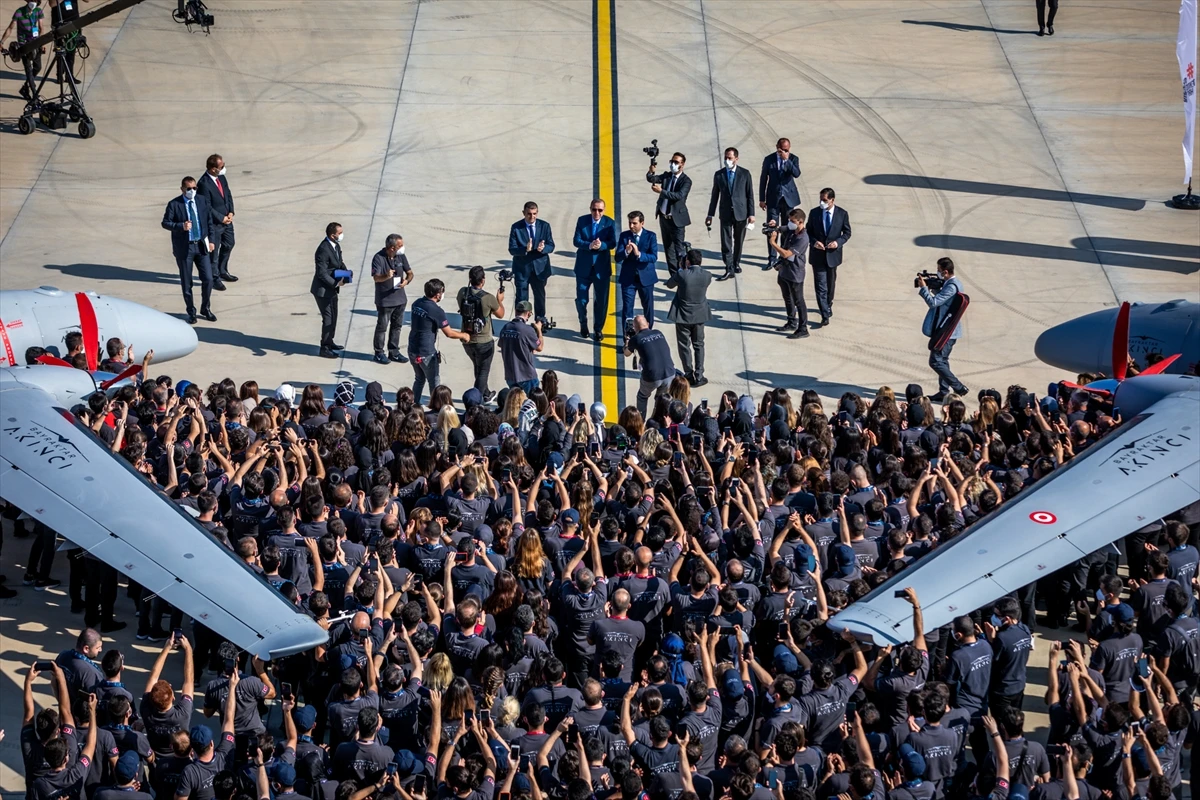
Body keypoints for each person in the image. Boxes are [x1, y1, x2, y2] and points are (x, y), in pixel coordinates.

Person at [161, 176, 216, 325]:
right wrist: (181, 226)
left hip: (201, 245)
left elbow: (208, 221)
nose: (192, 191)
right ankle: (191, 312)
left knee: (208, 279)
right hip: (185, 248)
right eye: (189, 189)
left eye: (194, 188)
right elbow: (165, 223)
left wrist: (211, 240)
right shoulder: (174, 204)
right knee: (187, 283)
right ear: (182, 189)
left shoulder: (202, 200)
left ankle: (205, 307)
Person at [408, 278, 470, 404]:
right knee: (434, 382)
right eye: (442, 291)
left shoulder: (416, 304)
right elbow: (449, 333)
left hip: (413, 349)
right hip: (427, 353)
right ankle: (436, 409)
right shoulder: (436, 311)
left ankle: (412, 405)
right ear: (438, 294)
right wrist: (463, 335)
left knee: (419, 379)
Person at [918, 257, 968, 401]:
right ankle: (944, 392)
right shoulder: (952, 283)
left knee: (935, 361)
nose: (938, 273)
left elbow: (933, 303)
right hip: (948, 329)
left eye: (939, 271)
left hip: (946, 332)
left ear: (946, 272)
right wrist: (935, 287)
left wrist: (923, 288)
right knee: (943, 360)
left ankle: (958, 387)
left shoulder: (952, 287)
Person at [706, 147, 755, 281]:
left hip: (741, 213)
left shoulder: (745, 174)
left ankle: (736, 263)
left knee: (738, 240)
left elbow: (749, 195)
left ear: (736, 159)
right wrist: (710, 214)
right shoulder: (719, 174)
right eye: (726, 158)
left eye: (730, 158)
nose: (727, 160)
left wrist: (752, 214)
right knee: (726, 242)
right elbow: (715, 196)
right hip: (726, 213)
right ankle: (729, 268)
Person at [456, 266, 505, 401]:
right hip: (484, 341)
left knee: (478, 367)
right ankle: (475, 402)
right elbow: (501, 314)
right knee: (483, 371)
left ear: (470, 279)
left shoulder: (462, 292)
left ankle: (486, 393)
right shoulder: (488, 298)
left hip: (467, 340)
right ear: (483, 280)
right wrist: (499, 300)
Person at [665, 248, 712, 387]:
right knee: (699, 344)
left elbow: (669, 284)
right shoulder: (707, 275)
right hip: (699, 315)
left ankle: (688, 373)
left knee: (684, 345)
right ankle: (699, 374)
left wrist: (681, 269)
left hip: (683, 316)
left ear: (687, 261)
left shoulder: (683, 275)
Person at [572, 199, 617, 341]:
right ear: (590, 209)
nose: (597, 213)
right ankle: (583, 323)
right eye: (594, 209)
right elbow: (576, 241)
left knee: (601, 301)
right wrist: (589, 245)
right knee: (581, 300)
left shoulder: (609, 223)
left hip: (601, 268)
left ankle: (598, 328)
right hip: (583, 267)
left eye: (600, 210)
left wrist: (602, 245)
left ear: (604, 210)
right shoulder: (582, 221)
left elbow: (612, 242)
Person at [806, 187, 851, 326]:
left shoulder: (842, 214)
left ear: (832, 200)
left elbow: (847, 233)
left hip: (833, 256)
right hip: (818, 256)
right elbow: (808, 232)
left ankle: (828, 303)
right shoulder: (814, 213)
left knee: (830, 285)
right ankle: (824, 314)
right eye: (820, 199)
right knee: (820, 286)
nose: (822, 202)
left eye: (825, 200)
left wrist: (837, 243)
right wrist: (814, 243)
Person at [507, 201, 555, 320]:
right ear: (524, 213)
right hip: (522, 269)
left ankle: (540, 320)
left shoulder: (545, 226)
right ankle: (521, 321)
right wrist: (525, 249)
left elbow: (551, 245)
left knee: (539, 296)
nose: (532, 216)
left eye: (534, 214)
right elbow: (512, 249)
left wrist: (543, 248)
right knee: (521, 297)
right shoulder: (516, 227)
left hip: (539, 269)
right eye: (529, 214)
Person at [758, 138, 802, 269]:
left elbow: (796, 173)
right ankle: (771, 258)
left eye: (786, 150)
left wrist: (786, 160)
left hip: (788, 198)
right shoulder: (769, 159)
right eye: (781, 149)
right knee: (772, 227)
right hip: (773, 199)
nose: (783, 151)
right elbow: (763, 178)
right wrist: (761, 199)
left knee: (787, 227)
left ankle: (783, 255)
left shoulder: (793, 158)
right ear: (777, 147)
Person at [647, 152, 692, 276]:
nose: (673, 164)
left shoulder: (686, 181)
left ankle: (683, 274)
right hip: (664, 218)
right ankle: (673, 276)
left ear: (682, 165)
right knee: (668, 249)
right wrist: (651, 171)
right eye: (672, 161)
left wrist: (661, 191)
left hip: (676, 220)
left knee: (679, 250)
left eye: (676, 162)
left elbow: (678, 195)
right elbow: (652, 179)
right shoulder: (667, 176)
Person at [370, 233, 413, 365]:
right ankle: (379, 353)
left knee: (397, 327)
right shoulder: (378, 258)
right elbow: (376, 278)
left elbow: (410, 273)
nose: (403, 247)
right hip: (385, 301)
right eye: (400, 245)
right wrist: (386, 276)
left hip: (400, 299)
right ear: (392, 247)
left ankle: (393, 352)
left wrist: (407, 281)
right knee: (382, 327)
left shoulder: (401, 256)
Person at [195, 154, 237, 288]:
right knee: (214, 252)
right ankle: (214, 277)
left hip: (227, 219)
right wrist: (221, 217)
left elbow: (228, 195)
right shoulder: (203, 184)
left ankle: (222, 270)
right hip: (215, 223)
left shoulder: (222, 178)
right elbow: (206, 206)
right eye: (221, 167)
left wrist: (231, 211)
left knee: (229, 244)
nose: (224, 169)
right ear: (213, 169)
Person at [768, 207, 810, 339]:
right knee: (787, 298)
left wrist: (772, 242)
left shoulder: (803, 238)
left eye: (792, 221)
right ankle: (791, 322)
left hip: (795, 274)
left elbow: (786, 254)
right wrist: (775, 227)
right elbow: (783, 228)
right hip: (784, 271)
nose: (790, 223)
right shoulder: (792, 230)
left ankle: (803, 328)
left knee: (799, 301)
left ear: (800, 222)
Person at [624, 315, 674, 416]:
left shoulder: (636, 339)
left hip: (652, 376)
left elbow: (626, 353)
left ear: (635, 328)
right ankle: (658, 420)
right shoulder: (658, 333)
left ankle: (640, 421)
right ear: (647, 324)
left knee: (642, 396)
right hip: (670, 373)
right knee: (661, 399)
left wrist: (628, 341)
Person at [617, 211, 659, 332]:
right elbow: (617, 257)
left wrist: (639, 254)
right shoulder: (624, 236)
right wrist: (626, 252)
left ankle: (648, 332)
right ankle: (627, 337)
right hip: (629, 279)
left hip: (645, 278)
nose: (631, 226)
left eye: (634, 223)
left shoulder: (651, 236)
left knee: (648, 307)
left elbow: (653, 257)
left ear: (642, 223)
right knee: (627, 308)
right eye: (630, 223)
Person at [498, 300, 544, 394]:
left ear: (516, 311)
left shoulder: (505, 328)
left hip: (510, 375)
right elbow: (539, 347)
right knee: (534, 401)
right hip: (526, 375)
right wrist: (539, 330)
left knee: (515, 403)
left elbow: (502, 344)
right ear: (528, 313)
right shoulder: (527, 330)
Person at [2, 0, 45, 100]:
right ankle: (35, 93)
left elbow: (41, 28)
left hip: (35, 43)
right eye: (31, 0)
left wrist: (42, 42)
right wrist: (2, 42)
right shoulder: (19, 12)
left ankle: (25, 87)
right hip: (23, 44)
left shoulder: (38, 11)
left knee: (38, 67)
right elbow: (10, 28)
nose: (33, 2)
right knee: (28, 70)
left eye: (35, 0)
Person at [49, 0, 88, 87]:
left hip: (74, 24)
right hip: (60, 25)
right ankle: (59, 75)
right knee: (61, 51)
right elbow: (52, 4)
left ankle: (69, 76)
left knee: (71, 51)